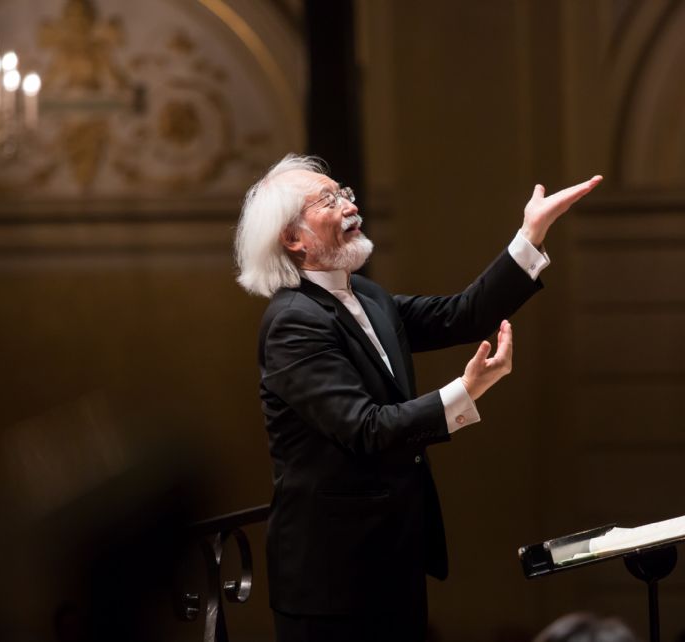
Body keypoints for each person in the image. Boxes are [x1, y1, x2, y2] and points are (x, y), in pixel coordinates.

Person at [234, 154, 602, 642]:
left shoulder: (368, 296)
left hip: (393, 560)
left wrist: (530, 233)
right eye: (328, 200)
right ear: (292, 238)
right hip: (332, 579)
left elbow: (464, 315)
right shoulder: (293, 322)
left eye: (344, 192)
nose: (349, 205)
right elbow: (366, 428)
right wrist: (466, 391)